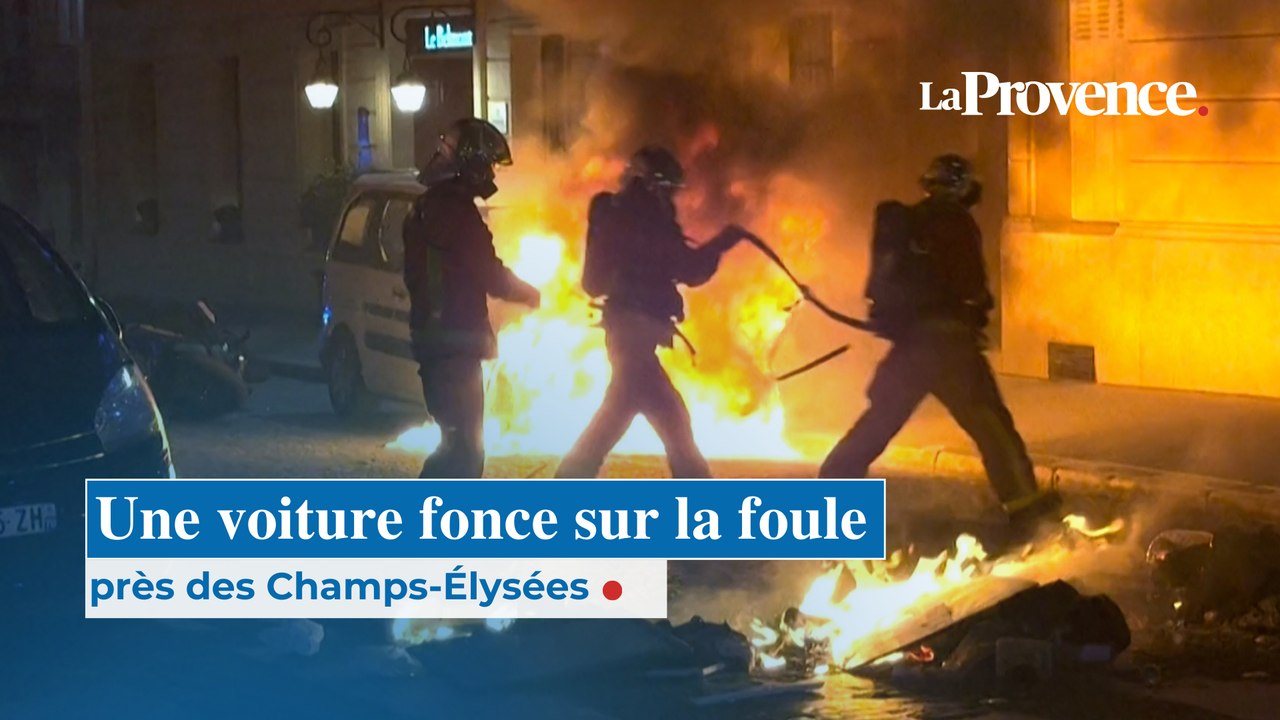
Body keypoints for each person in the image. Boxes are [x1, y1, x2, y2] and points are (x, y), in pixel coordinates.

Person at [815, 154, 1060, 526]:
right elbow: (970, 284)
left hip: (910, 348)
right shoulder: (955, 222)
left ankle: (833, 485)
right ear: (964, 187)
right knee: (991, 425)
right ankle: (1026, 507)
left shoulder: (906, 224)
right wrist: (980, 305)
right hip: (949, 346)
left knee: (880, 421)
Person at [555, 145, 750, 478]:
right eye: (667, 190)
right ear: (650, 185)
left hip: (628, 336)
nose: (670, 199)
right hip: (634, 337)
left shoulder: (617, 214)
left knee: (640, 419)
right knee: (660, 422)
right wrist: (722, 243)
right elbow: (689, 268)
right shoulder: (643, 221)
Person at [402, 117, 541, 478]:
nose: (491, 173)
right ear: (472, 163)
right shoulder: (458, 214)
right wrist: (528, 294)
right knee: (464, 452)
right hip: (454, 346)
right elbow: (489, 274)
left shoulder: (425, 208)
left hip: (436, 343)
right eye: (489, 164)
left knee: (455, 447)